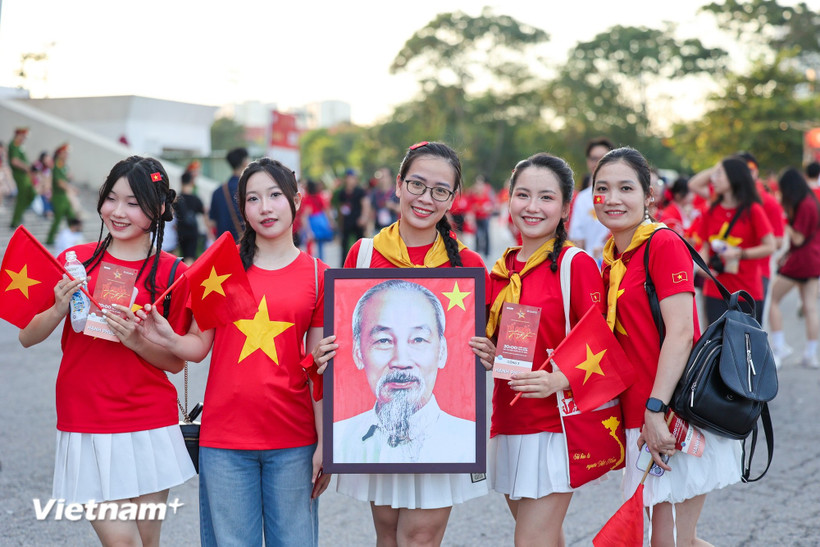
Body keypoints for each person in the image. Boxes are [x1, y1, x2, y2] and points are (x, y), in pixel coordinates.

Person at [136, 157, 332, 546]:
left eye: (275, 195)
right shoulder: (222, 269)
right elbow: (197, 347)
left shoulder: (318, 275)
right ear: (242, 209)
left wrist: (325, 443)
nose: (265, 207)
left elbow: (318, 371)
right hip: (225, 440)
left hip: (294, 440)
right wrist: (167, 337)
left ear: (296, 199)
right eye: (253, 198)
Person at [316, 141, 491, 546]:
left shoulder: (467, 265)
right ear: (398, 185)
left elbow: (483, 344)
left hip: (443, 426)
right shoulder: (364, 254)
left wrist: (491, 353)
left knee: (420, 537)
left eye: (440, 190)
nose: (426, 198)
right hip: (382, 422)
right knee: (388, 534)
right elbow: (347, 331)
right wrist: (330, 352)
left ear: (453, 198)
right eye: (417, 184)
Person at [18, 156, 196, 546]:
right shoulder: (74, 261)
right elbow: (27, 338)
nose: (118, 211)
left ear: (160, 208)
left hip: (148, 419)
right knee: (123, 542)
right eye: (111, 198)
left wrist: (135, 339)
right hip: (86, 417)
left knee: (148, 542)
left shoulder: (172, 273)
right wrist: (57, 308)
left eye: (133, 203)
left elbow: (176, 360)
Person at [592, 147, 742, 546]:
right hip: (639, 414)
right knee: (676, 540)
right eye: (602, 188)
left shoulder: (662, 243)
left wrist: (656, 410)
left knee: (669, 540)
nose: (612, 198)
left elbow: (682, 333)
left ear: (649, 197)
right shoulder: (612, 258)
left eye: (626, 187)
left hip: (671, 411)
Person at [482, 153, 605, 545]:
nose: (532, 207)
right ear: (510, 199)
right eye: (523, 195)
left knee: (530, 541)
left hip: (555, 426)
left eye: (546, 197)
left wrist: (558, 378)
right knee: (546, 539)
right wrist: (488, 352)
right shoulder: (501, 270)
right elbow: (504, 344)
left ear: (567, 207)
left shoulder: (575, 263)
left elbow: (603, 343)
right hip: (508, 420)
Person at [333, 280, 475, 464]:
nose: (401, 362)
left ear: (441, 351)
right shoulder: (339, 440)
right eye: (383, 341)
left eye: (418, 339)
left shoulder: (469, 442)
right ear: (358, 353)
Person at [690, 155, 776, 324]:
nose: (713, 179)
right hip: (716, 289)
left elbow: (770, 246)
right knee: (716, 345)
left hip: (747, 291)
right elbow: (706, 247)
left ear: (733, 177)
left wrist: (739, 253)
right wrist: (702, 267)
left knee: (745, 346)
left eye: (719, 174)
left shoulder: (753, 210)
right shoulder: (711, 210)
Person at [768, 167, 820, 368]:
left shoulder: (804, 205)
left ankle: (780, 345)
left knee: (773, 298)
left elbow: (798, 238)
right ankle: (810, 353)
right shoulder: (811, 200)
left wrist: (784, 221)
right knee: (809, 306)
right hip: (813, 259)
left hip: (801, 261)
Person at [568, 137, 614, 264]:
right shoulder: (582, 199)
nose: (598, 163)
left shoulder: (624, 194)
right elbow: (577, 239)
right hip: (593, 267)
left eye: (603, 158)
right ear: (588, 162)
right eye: (594, 159)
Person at [209, 147, 249, 242]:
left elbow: (212, 222)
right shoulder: (250, 188)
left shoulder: (218, 191)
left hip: (225, 245)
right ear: (244, 162)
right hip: (247, 245)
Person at [333, 168, 370, 265]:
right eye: (348, 178)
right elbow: (341, 209)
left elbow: (365, 204)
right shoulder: (342, 193)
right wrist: (340, 225)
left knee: (361, 245)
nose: (350, 180)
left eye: (352, 178)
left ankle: (362, 264)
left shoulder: (360, 191)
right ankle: (344, 267)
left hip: (358, 222)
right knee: (344, 245)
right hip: (347, 222)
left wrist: (364, 218)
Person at [46, 144, 78, 245]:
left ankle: (73, 236)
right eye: (65, 153)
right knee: (58, 219)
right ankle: (50, 239)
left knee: (71, 216)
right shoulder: (57, 165)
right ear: (60, 154)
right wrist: (71, 188)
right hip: (58, 196)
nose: (67, 155)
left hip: (63, 196)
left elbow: (66, 178)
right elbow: (59, 182)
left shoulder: (63, 165)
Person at [174, 171, 206, 265]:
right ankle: (188, 277)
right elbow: (204, 214)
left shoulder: (177, 199)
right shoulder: (196, 198)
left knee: (182, 256)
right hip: (192, 231)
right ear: (191, 182)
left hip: (181, 231)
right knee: (190, 257)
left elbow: (172, 216)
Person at [9, 127, 36, 228]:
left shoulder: (20, 145)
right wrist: (27, 167)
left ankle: (19, 214)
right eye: (23, 136)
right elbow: (14, 161)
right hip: (19, 174)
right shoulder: (14, 144)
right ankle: (15, 220)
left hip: (25, 175)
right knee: (22, 198)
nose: (24, 139)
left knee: (32, 194)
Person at [469, 174, 495, 256]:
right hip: (477, 217)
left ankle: (487, 251)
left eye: (480, 183)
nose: (479, 185)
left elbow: (492, 204)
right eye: (477, 183)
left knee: (486, 233)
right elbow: (470, 205)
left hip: (485, 217)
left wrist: (488, 208)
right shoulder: (473, 194)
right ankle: (477, 250)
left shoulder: (487, 192)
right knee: (477, 234)